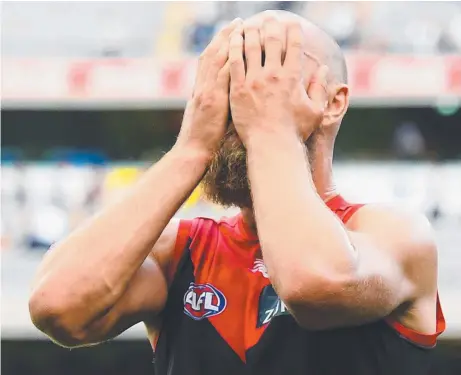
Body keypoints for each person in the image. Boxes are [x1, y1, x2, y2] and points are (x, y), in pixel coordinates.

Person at [29, 11, 445, 375]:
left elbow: (314, 283)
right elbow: (59, 307)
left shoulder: (394, 234)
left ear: (333, 103)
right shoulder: (183, 251)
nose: (244, 99)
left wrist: (269, 129)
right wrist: (190, 149)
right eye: (230, 82)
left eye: (271, 79)